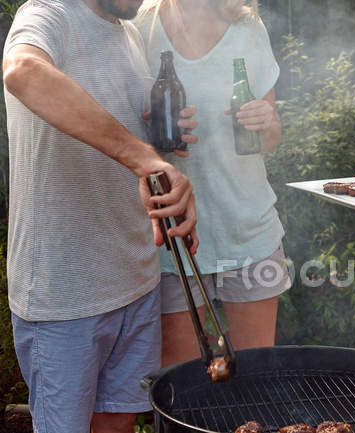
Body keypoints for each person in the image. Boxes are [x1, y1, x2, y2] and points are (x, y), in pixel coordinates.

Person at [3, 0, 200, 432]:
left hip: (135, 280)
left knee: (118, 424)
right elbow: (21, 70)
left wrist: (161, 136)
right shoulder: (47, 12)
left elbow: (120, 136)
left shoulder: (128, 33)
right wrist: (144, 157)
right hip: (65, 293)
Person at [135, 0, 290, 367]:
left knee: (254, 380)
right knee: (183, 389)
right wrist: (154, 136)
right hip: (171, 241)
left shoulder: (247, 26)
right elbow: (121, 135)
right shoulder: (141, 28)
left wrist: (265, 123)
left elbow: (272, 137)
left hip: (249, 230)